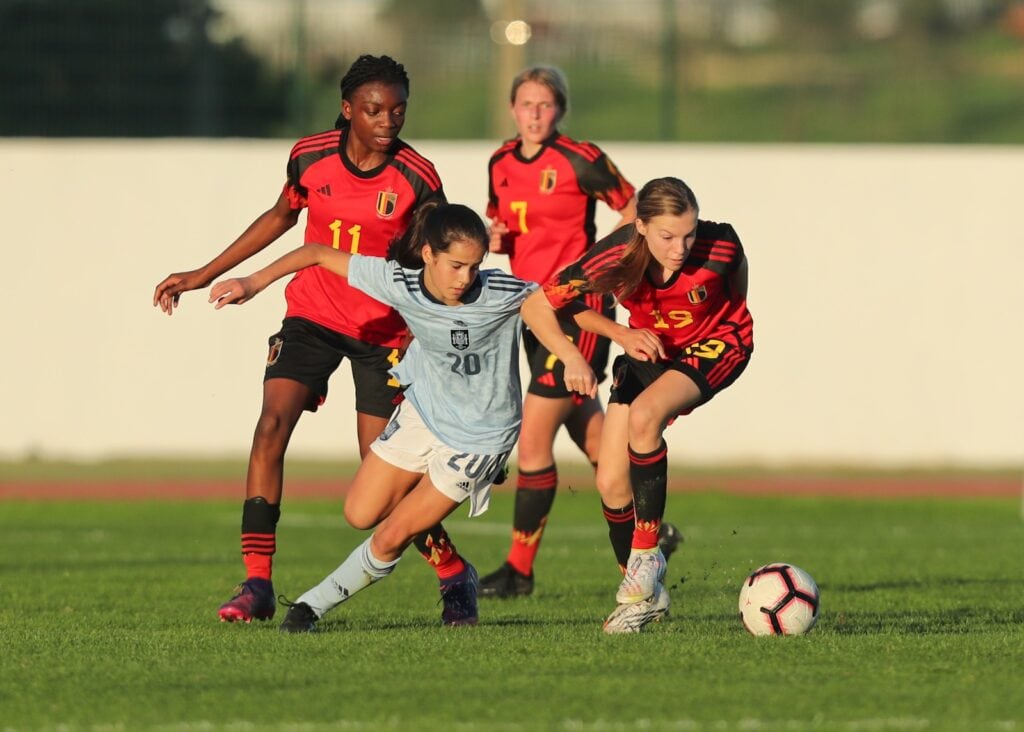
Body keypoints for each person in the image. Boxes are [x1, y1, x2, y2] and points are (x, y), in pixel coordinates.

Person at [152, 54, 464, 625]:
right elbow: (280, 217)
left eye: (398, 109)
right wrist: (202, 273)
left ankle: (451, 570)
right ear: (348, 110)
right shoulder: (310, 155)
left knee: (381, 477)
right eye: (374, 110)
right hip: (312, 315)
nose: (388, 120)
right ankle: (257, 584)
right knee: (271, 425)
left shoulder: (418, 177)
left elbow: (440, 260)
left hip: (385, 334)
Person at [207, 202, 598, 632]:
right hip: (424, 413)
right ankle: (456, 569)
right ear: (428, 254)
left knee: (392, 534)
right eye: (456, 265)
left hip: (480, 438)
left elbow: (548, 305)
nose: (466, 278)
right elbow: (316, 251)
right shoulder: (399, 283)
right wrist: (253, 281)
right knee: (359, 513)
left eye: (474, 266)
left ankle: (309, 606)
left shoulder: (498, 291)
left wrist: (582, 351)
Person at [479, 65, 681, 599]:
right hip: (530, 307)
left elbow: (636, 204)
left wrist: (600, 261)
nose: (535, 113)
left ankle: (519, 571)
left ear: (560, 109)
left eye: (545, 104)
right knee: (589, 429)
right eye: (526, 103)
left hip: (576, 309)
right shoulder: (499, 161)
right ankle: (652, 532)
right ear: (513, 108)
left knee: (534, 438)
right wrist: (496, 236)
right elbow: (501, 224)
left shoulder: (581, 158)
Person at [541, 177, 753, 633]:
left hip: (716, 345)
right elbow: (546, 305)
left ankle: (645, 556)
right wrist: (616, 335)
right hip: (647, 349)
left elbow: (737, 297)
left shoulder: (722, 245)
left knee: (644, 416)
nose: (681, 247)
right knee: (611, 482)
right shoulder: (614, 255)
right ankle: (645, 600)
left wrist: (716, 332)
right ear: (639, 226)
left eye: (689, 233)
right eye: (667, 236)